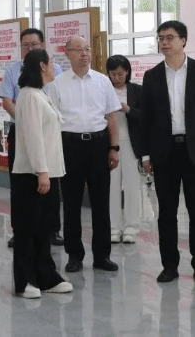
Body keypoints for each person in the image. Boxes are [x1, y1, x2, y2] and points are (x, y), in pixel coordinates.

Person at [142, 20, 195, 283]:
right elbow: (146, 120)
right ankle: (169, 265)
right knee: (167, 212)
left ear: (183, 40)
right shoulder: (152, 76)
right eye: (161, 38)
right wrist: (146, 154)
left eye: (169, 37)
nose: (164, 42)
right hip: (164, 152)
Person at [47, 35, 121, 273]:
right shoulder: (57, 84)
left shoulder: (102, 81)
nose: (84, 53)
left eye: (87, 49)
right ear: (67, 54)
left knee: (101, 202)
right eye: (78, 49)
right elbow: (52, 120)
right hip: (70, 146)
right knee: (71, 202)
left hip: (99, 145)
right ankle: (74, 255)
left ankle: (102, 256)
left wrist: (114, 147)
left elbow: (112, 117)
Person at [11, 49, 73, 298]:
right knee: (28, 229)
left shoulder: (41, 93)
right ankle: (25, 281)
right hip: (33, 174)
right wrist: (42, 171)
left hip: (48, 172)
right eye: (51, 62)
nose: (54, 66)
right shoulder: (28, 96)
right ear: (41, 66)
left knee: (43, 228)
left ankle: (46, 277)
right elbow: (33, 136)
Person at [1, 28, 64, 249]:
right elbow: (7, 102)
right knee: (26, 190)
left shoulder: (49, 79)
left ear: (42, 44)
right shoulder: (18, 78)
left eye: (34, 44)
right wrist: (26, 121)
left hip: (47, 133)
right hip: (25, 132)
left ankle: (51, 230)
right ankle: (21, 230)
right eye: (25, 45)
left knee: (50, 193)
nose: (30, 48)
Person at [106, 55, 144, 244]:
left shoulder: (137, 90)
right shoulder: (105, 89)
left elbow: (146, 116)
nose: (117, 78)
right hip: (110, 145)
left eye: (120, 74)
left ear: (127, 71)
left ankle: (131, 227)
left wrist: (128, 109)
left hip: (131, 143)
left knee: (131, 187)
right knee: (111, 187)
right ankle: (113, 228)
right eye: (113, 74)